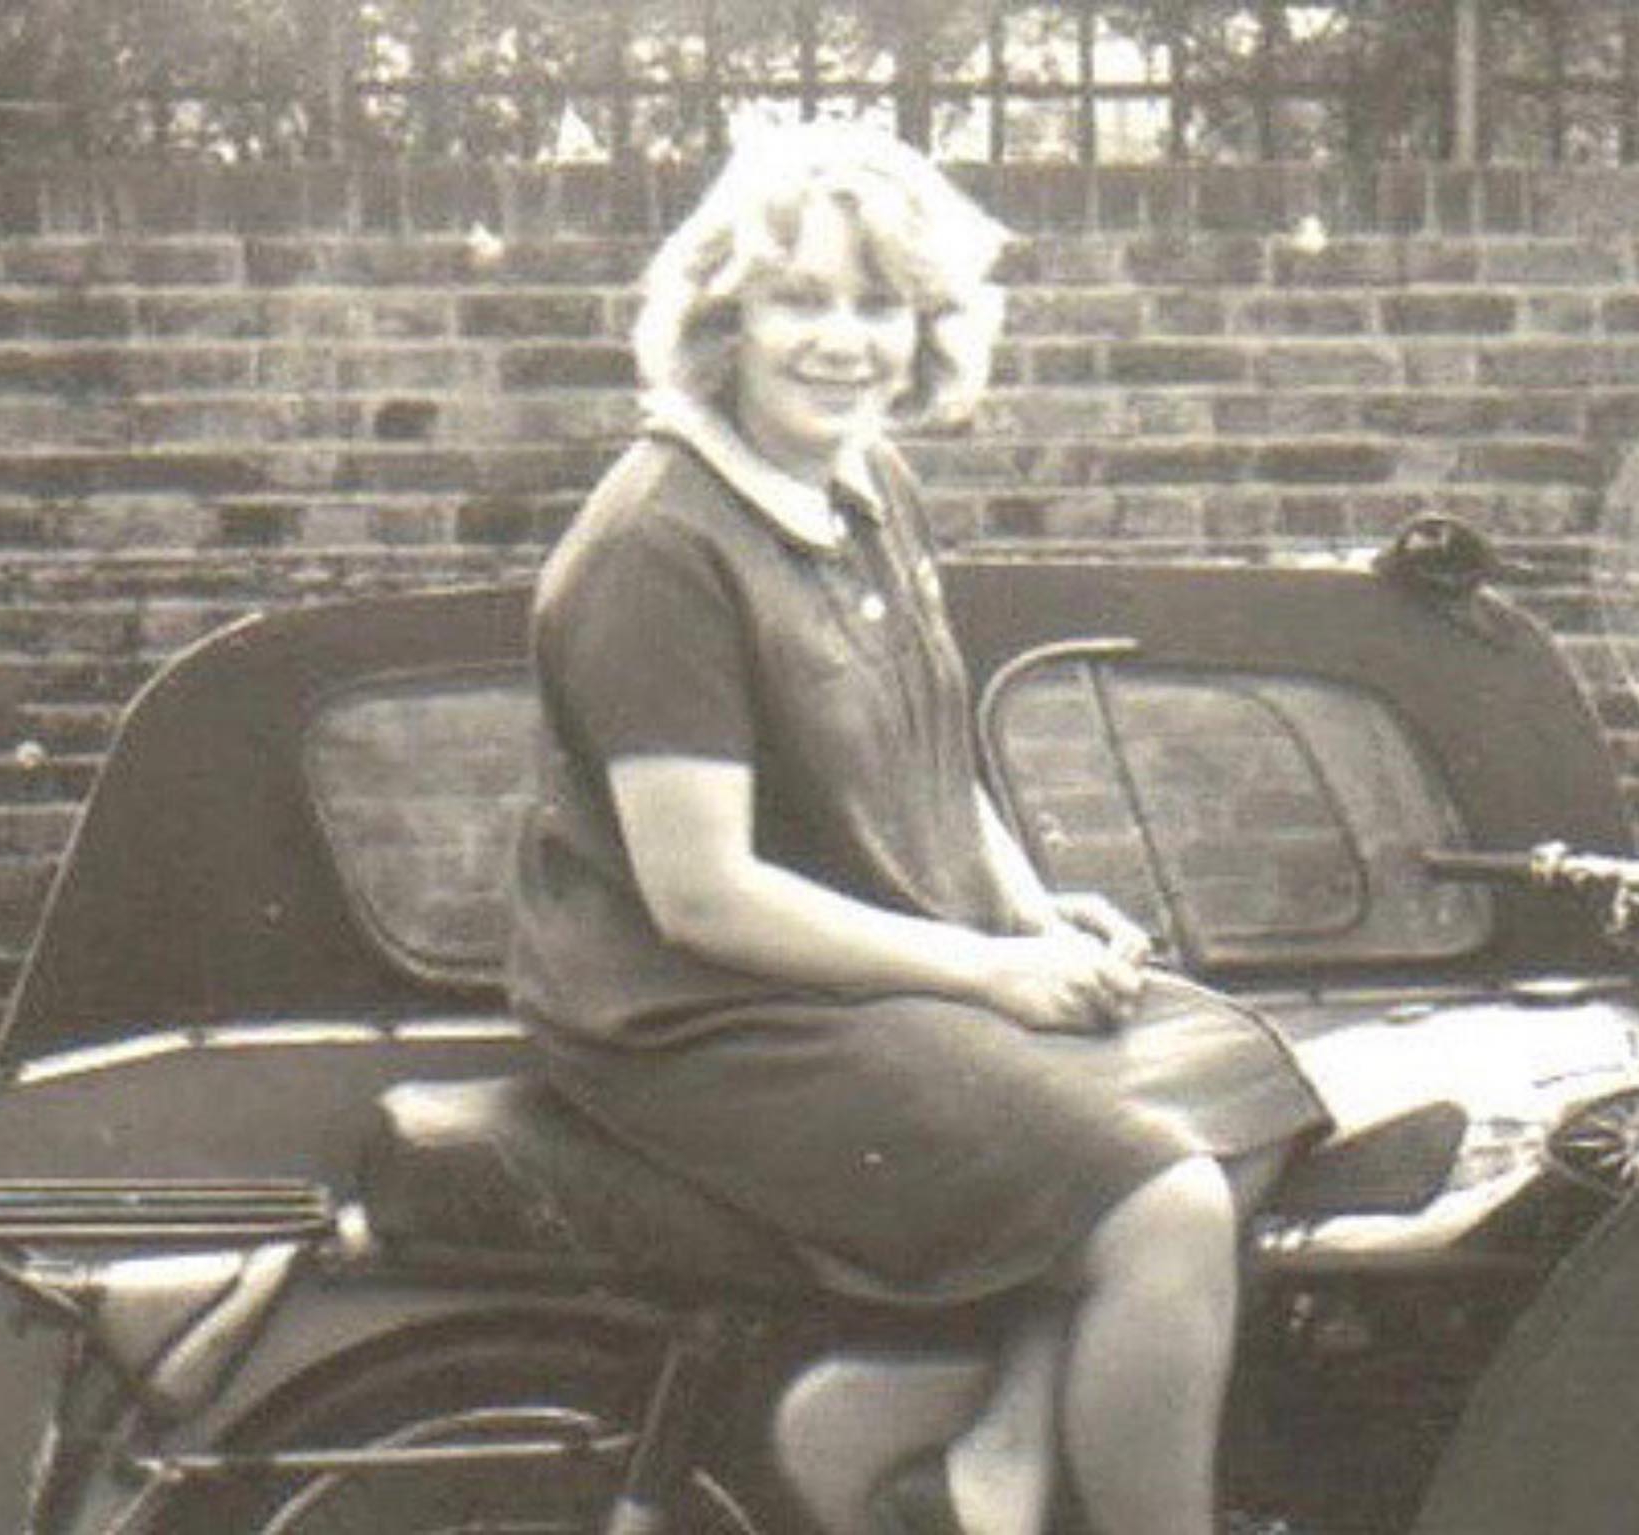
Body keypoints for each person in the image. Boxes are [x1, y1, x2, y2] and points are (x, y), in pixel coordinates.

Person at [507, 121, 1329, 1535]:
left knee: (1248, 1088)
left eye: (880, 305)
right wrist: (990, 972)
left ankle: (993, 1460)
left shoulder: (865, 483)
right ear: (723, 321)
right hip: (702, 1014)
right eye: (801, 301)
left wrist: (1031, 912)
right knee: (1168, 1211)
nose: (845, 342)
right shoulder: (661, 545)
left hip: (868, 973)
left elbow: (932, 752)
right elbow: (703, 897)